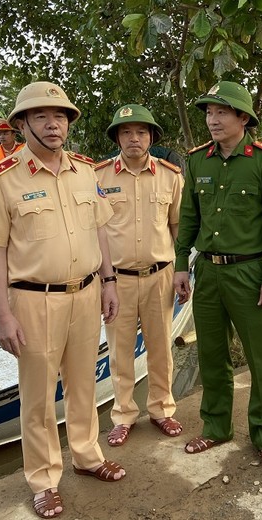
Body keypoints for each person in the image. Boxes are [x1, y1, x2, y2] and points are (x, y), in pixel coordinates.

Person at [0, 81, 124, 519]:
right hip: (34, 299)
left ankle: (87, 455)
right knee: (37, 397)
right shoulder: (2, 179)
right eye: (41, 116)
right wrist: (2, 314)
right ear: (21, 124)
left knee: (84, 384)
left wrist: (109, 281)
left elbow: (100, 230)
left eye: (60, 116)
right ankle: (43, 479)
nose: (53, 124)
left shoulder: (85, 171)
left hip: (86, 292)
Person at [173, 81, 262, 471]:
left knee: (261, 359)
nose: (213, 120)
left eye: (221, 112)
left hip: (250, 273)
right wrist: (179, 265)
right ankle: (216, 426)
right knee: (211, 355)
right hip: (207, 271)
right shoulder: (198, 161)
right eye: (208, 113)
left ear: (243, 118)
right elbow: (189, 217)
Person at [95, 104, 184, 447]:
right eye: (127, 132)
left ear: (151, 138)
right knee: (119, 351)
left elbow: (177, 225)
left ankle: (162, 409)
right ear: (117, 137)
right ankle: (123, 414)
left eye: (142, 132)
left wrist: (182, 269)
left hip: (159, 275)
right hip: (116, 280)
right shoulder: (98, 177)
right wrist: (105, 282)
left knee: (161, 346)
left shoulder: (170, 176)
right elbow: (95, 229)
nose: (134, 138)